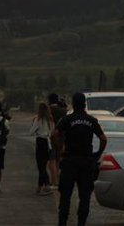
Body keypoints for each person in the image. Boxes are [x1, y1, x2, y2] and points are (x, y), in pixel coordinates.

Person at [53, 93, 107, 226]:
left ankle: (62, 222)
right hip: (86, 161)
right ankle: (81, 222)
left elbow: (53, 135)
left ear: (73, 104)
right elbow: (103, 139)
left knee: (65, 195)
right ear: (84, 104)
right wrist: (98, 154)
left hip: (70, 160)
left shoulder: (66, 119)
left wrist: (59, 151)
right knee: (85, 195)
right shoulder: (92, 120)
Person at [29, 102, 54, 196]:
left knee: (41, 166)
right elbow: (52, 131)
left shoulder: (38, 119)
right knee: (43, 165)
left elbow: (31, 132)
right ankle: (39, 186)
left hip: (40, 142)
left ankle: (47, 185)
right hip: (48, 143)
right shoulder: (50, 119)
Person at [48, 93, 67, 189]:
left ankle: (53, 180)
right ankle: (55, 180)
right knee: (57, 159)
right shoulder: (63, 111)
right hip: (61, 136)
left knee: (51, 159)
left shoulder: (48, 111)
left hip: (50, 136)